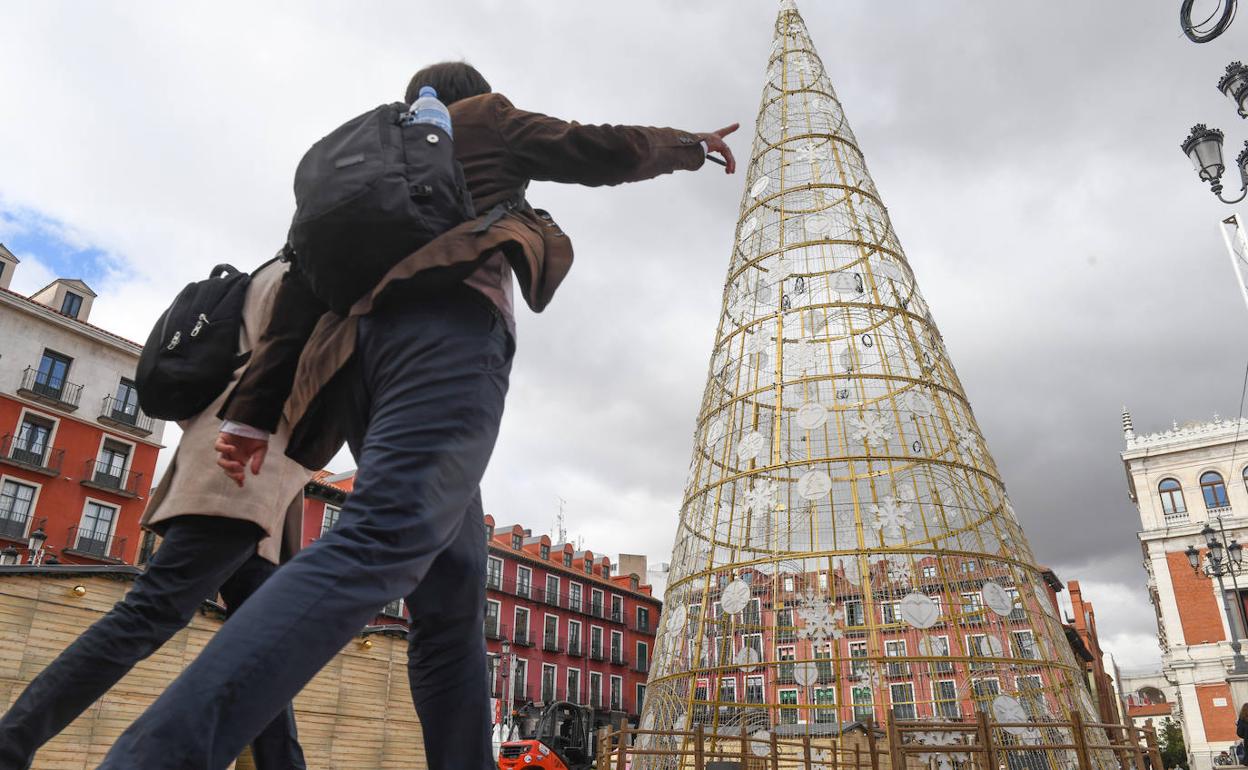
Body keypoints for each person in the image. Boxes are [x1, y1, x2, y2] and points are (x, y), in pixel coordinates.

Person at [98, 61, 737, 769]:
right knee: (380, 541)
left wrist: (251, 418)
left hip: (362, 372)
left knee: (451, 604)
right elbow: (594, 148)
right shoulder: (487, 118)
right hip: (450, 337)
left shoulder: (360, 167)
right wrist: (688, 144)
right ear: (475, 92)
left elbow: (299, 300)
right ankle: (156, 758)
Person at [0, 260, 312, 770]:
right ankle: (9, 746)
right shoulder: (312, 274)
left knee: (266, 652)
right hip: (242, 471)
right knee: (150, 613)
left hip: (246, 475)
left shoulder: (268, 277)